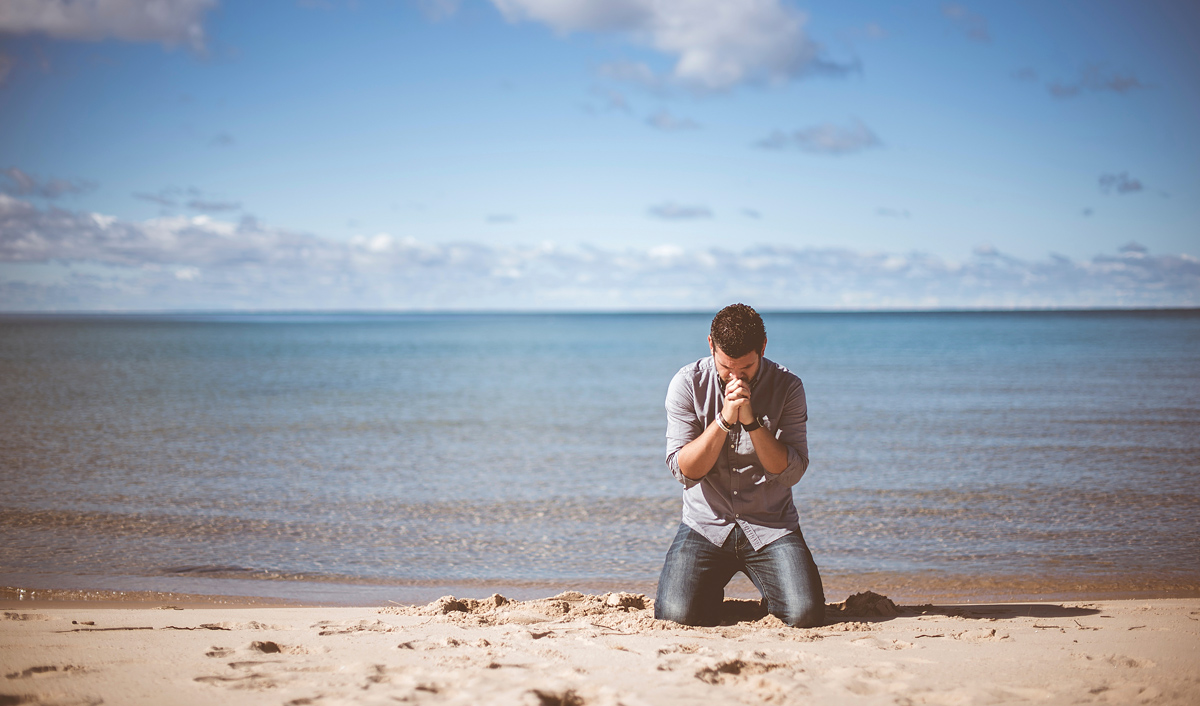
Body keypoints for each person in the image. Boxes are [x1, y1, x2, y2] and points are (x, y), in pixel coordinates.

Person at [654, 303, 825, 628]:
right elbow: (683, 470)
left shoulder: (788, 386)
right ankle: (706, 592)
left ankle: (771, 589)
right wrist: (723, 420)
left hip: (770, 525)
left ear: (762, 347)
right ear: (710, 346)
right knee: (674, 617)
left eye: (745, 368)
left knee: (805, 615)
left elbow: (791, 471)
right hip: (705, 524)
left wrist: (751, 422)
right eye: (726, 367)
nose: (735, 378)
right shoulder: (688, 383)